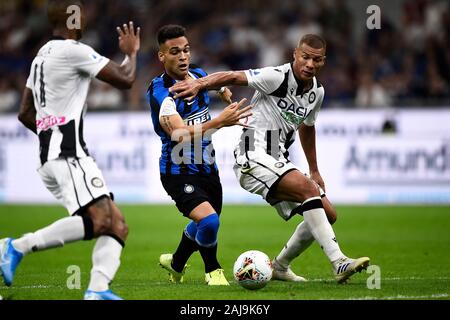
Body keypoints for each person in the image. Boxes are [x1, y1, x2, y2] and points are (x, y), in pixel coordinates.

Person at [170, 34, 370, 283]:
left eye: (316, 60)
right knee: (309, 190)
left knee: (328, 213)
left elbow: (307, 127)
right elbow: (233, 76)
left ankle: (280, 266)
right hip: (251, 155)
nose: (309, 64)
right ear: (295, 55)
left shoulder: (316, 92)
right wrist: (199, 85)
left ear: (323, 61)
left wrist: (315, 169)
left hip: (277, 159)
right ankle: (339, 262)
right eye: (305, 57)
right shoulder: (276, 77)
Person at [0, 0, 140, 299]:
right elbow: (126, 80)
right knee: (101, 221)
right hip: (67, 153)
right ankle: (16, 246)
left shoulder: (41, 56)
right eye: (80, 13)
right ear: (71, 20)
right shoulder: (73, 50)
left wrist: (50, 133)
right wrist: (131, 53)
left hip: (55, 154)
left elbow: (25, 113)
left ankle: (97, 290)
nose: (85, 17)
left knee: (117, 225)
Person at [147, 25, 251, 286]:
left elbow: (215, 84)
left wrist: (225, 94)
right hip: (177, 170)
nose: (183, 56)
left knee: (206, 224)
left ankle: (176, 263)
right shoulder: (161, 93)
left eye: (186, 50)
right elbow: (179, 134)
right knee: (209, 220)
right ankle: (213, 271)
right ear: (162, 56)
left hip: (207, 168)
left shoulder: (198, 75)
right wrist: (219, 121)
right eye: (174, 52)